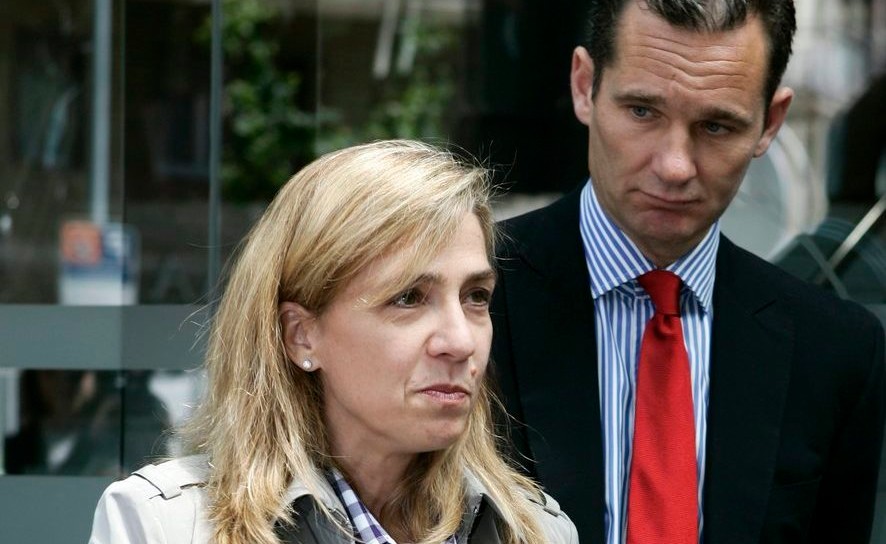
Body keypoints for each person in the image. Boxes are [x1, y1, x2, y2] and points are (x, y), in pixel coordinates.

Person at [490, 1, 885, 543]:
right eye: (642, 112)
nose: (675, 166)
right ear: (584, 87)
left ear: (769, 123)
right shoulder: (469, 297)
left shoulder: (835, 350)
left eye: (716, 126)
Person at [89, 140, 578, 544]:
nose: (460, 341)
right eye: (408, 298)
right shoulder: (164, 526)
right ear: (301, 335)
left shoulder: (539, 531)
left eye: (476, 297)